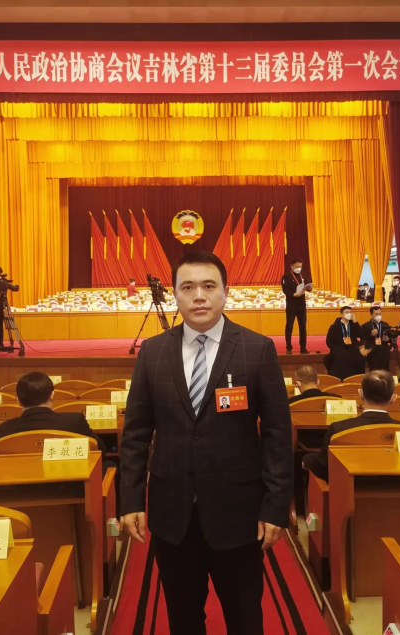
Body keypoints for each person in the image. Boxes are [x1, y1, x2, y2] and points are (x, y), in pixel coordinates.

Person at [120, 250, 293, 635]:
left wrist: (276, 507)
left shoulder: (256, 348)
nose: (199, 296)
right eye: (188, 287)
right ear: (175, 295)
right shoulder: (153, 351)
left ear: (225, 292)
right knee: (183, 619)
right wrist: (130, 500)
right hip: (172, 514)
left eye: (208, 286)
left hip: (240, 515)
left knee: (245, 618)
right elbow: (135, 433)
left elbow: (278, 435)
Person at [302, 371, 400, 481]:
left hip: (346, 487)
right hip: (397, 487)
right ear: (393, 398)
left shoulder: (338, 429)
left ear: (360, 394)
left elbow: (322, 466)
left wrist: (307, 458)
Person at [0, 372, 106, 453]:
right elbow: (100, 449)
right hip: (70, 479)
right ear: (52, 395)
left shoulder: (2, 431)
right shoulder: (74, 422)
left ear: (18, 400)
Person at [281, 257, 312, 354]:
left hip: (301, 305)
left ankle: (303, 347)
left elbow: (308, 286)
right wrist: (293, 294)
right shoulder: (286, 277)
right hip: (291, 305)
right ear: (292, 266)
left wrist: (309, 288)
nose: (299, 268)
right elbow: (285, 290)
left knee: (303, 327)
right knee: (289, 326)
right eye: (297, 266)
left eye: (300, 266)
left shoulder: (303, 275)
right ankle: (289, 347)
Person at [324, 306, 363, 371]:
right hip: (339, 350)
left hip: (352, 349)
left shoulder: (353, 325)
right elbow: (329, 341)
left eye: (350, 312)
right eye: (347, 312)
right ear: (342, 314)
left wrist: (355, 322)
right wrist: (337, 350)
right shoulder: (334, 327)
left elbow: (361, 334)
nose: (349, 314)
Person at [361, 307, 391, 371]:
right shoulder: (365, 326)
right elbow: (362, 339)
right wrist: (371, 335)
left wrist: (388, 339)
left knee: (385, 371)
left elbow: (390, 337)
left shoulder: (385, 324)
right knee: (374, 372)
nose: (378, 316)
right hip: (373, 352)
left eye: (380, 314)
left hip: (384, 351)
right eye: (376, 314)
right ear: (371, 314)